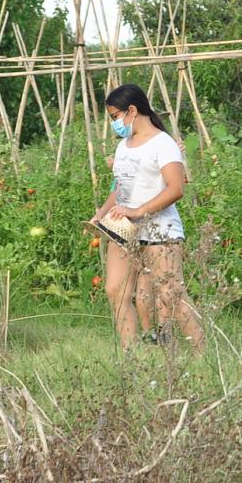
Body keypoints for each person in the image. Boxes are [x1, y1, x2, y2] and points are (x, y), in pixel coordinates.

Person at [90, 84, 203, 351]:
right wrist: (101, 213)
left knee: (170, 295)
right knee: (115, 290)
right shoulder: (123, 147)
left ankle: (202, 355)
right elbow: (119, 189)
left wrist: (139, 211)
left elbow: (176, 189)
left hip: (159, 230)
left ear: (132, 110)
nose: (114, 124)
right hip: (124, 228)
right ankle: (132, 356)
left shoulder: (163, 144)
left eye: (115, 117)